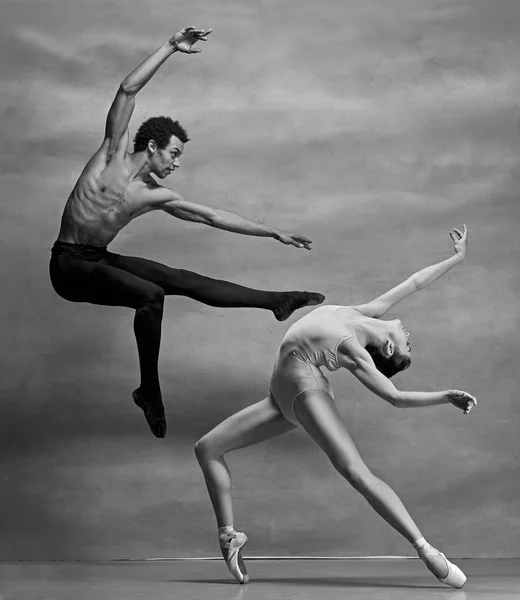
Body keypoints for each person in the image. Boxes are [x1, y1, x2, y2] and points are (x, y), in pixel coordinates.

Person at [49, 25, 324, 439]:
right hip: (67, 266)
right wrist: (170, 48)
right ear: (154, 146)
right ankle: (150, 391)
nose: (177, 163)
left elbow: (213, 216)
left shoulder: (155, 195)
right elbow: (126, 91)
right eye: (174, 154)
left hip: (96, 260)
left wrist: (273, 232)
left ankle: (276, 301)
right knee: (151, 295)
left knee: (181, 280)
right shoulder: (110, 154)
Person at [195, 225, 477, 588]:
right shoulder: (361, 312)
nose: (409, 337)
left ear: (389, 349)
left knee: (356, 471)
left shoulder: (354, 350)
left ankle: (425, 549)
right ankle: (229, 536)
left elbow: (395, 397)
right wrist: (458, 257)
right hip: (279, 397)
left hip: (305, 393)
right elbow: (415, 283)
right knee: (207, 448)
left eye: (409, 345)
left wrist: (445, 396)